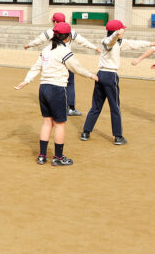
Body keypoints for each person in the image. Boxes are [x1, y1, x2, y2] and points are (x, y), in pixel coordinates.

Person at [14, 22, 98, 166]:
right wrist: (92, 75)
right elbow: (76, 68)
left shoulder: (47, 49)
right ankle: (58, 157)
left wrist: (26, 80)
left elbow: (36, 67)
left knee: (47, 122)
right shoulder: (64, 51)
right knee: (60, 124)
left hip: (43, 88)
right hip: (57, 89)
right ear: (67, 37)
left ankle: (42, 155)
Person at [80, 20, 152, 144]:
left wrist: (152, 43)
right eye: (121, 30)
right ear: (116, 32)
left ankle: (86, 132)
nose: (123, 32)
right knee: (114, 106)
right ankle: (118, 136)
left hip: (101, 75)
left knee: (96, 106)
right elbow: (111, 40)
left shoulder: (119, 43)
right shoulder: (107, 41)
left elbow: (133, 44)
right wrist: (117, 33)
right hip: (110, 76)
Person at [24, 12, 100, 116]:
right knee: (70, 84)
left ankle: (58, 106)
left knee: (55, 83)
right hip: (68, 61)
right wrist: (95, 48)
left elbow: (39, 40)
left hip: (54, 61)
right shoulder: (70, 32)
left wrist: (29, 45)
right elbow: (83, 41)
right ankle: (71, 108)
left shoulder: (50, 32)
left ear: (54, 22)